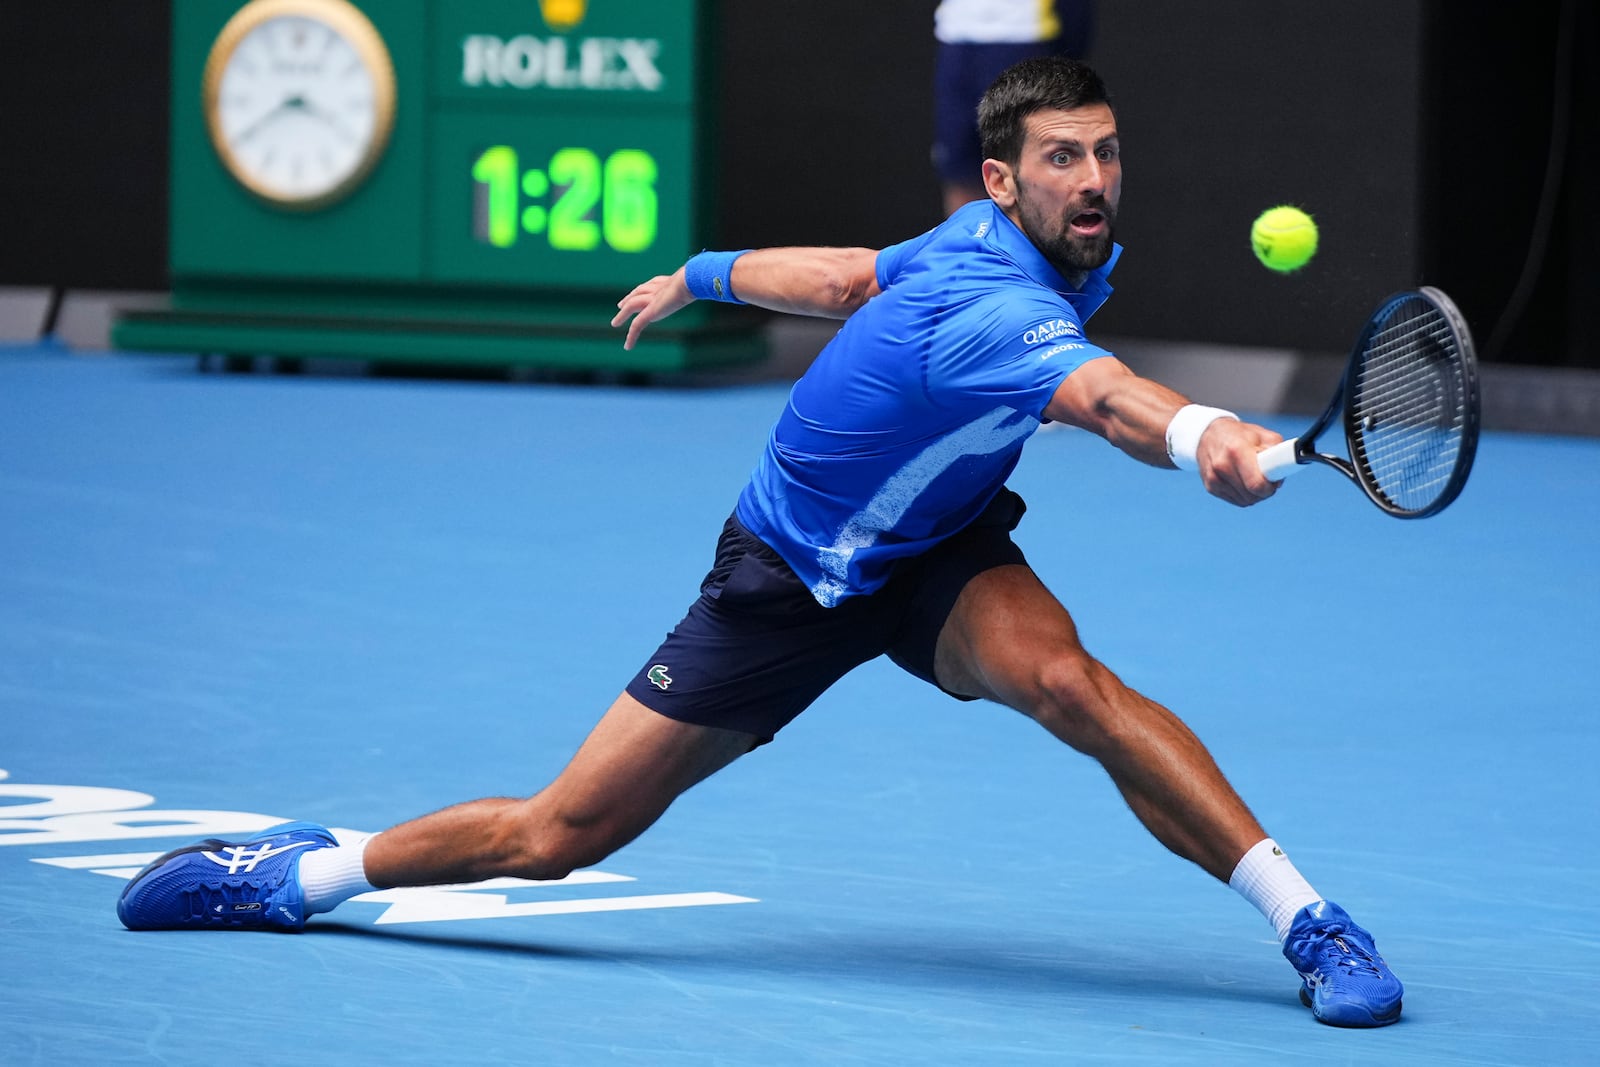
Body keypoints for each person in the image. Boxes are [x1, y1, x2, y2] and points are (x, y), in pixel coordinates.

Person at [116, 57, 1404, 1028]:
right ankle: (301, 870)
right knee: (559, 834)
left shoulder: (991, 242)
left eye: (1106, 153)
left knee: (1078, 688)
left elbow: (850, 277)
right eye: (1063, 159)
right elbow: (1102, 396)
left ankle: (1312, 925)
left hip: (933, 550)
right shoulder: (998, 298)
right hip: (785, 574)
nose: (1095, 181)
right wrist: (1205, 440)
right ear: (1003, 181)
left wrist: (704, 270)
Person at [933, 0, 1096, 215]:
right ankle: (968, 248)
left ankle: (1040, 248)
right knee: (960, 168)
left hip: (1023, 37)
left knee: (1031, 167)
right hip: (956, 39)